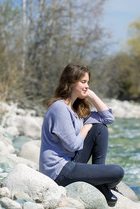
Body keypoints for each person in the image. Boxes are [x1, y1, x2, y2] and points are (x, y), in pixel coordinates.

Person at [39, 64, 124, 206]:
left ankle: (100, 184)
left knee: (100, 128)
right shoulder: (59, 108)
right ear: (71, 82)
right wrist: (86, 127)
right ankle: (101, 184)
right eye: (83, 82)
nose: (87, 86)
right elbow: (73, 145)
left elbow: (108, 118)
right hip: (58, 171)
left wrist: (91, 94)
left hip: (70, 162)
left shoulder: (77, 109)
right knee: (117, 171)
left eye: (88, 82)